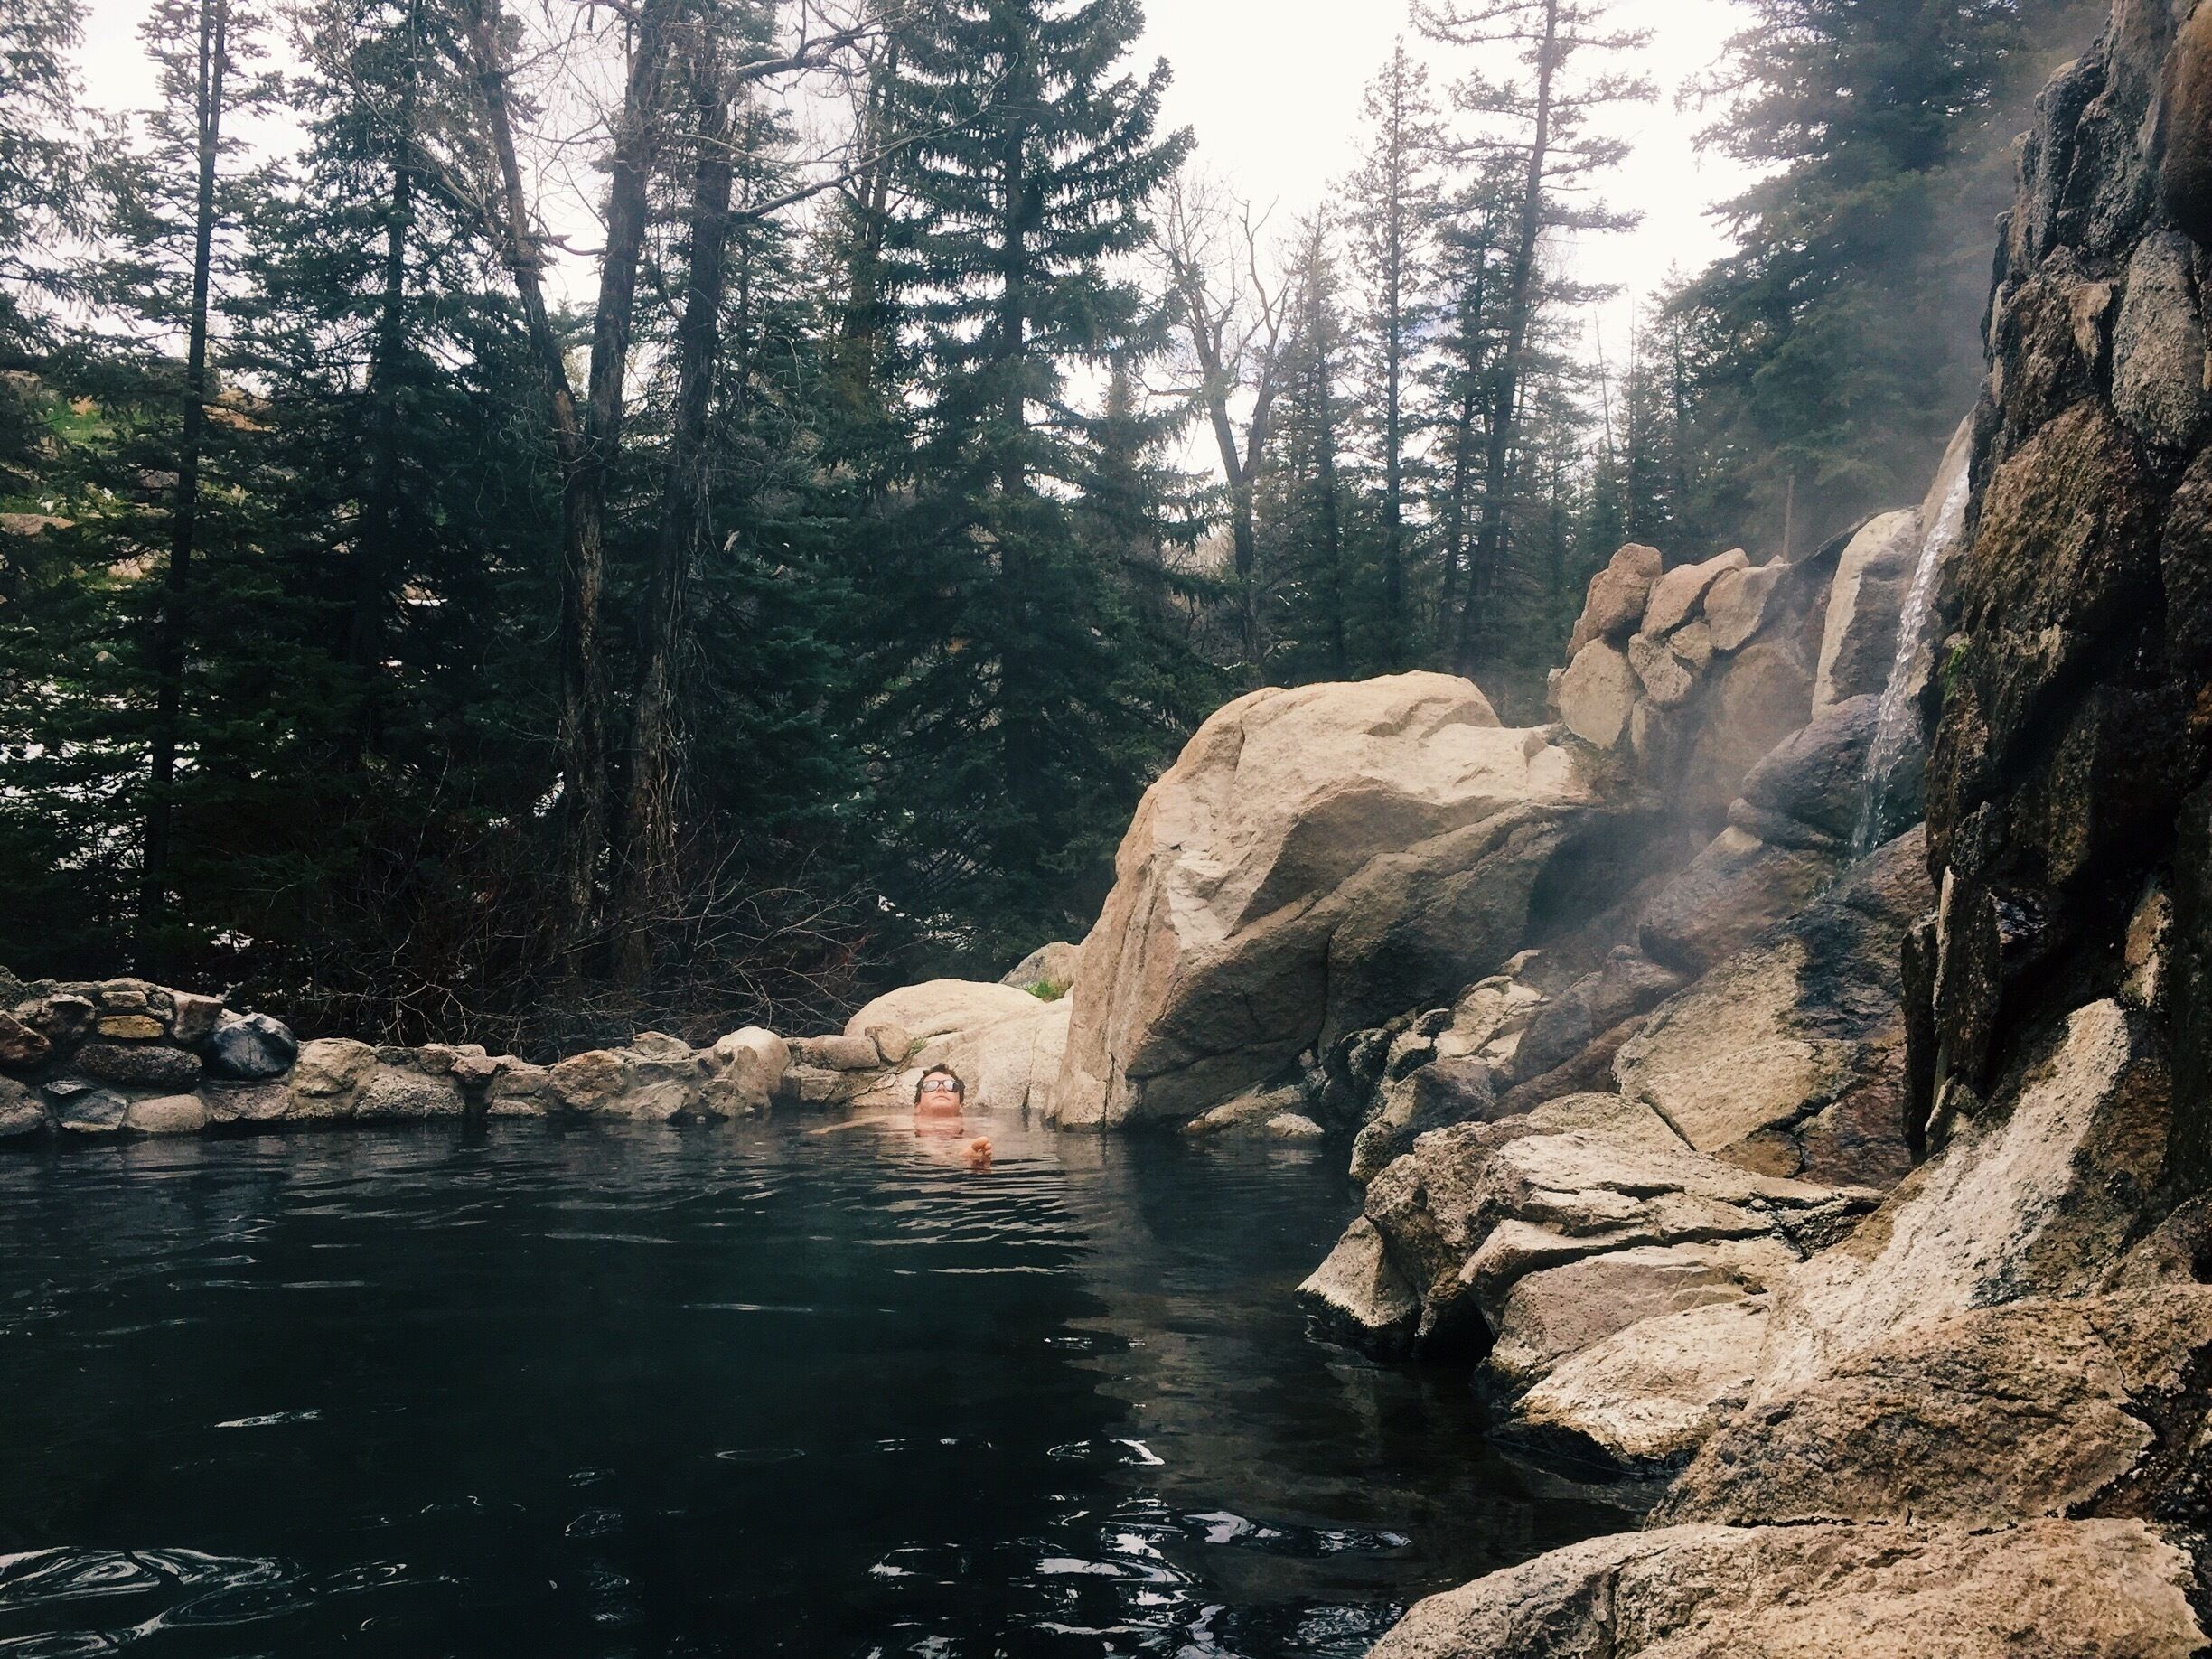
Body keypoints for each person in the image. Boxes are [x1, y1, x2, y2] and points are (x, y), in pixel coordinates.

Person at [914, 1064, 991, 1167]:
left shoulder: (981, 1124)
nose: (941, 1088)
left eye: (951, 1085)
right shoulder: (896, 1122)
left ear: (961, 1106)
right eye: (930, 1085)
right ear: (917, 1106)